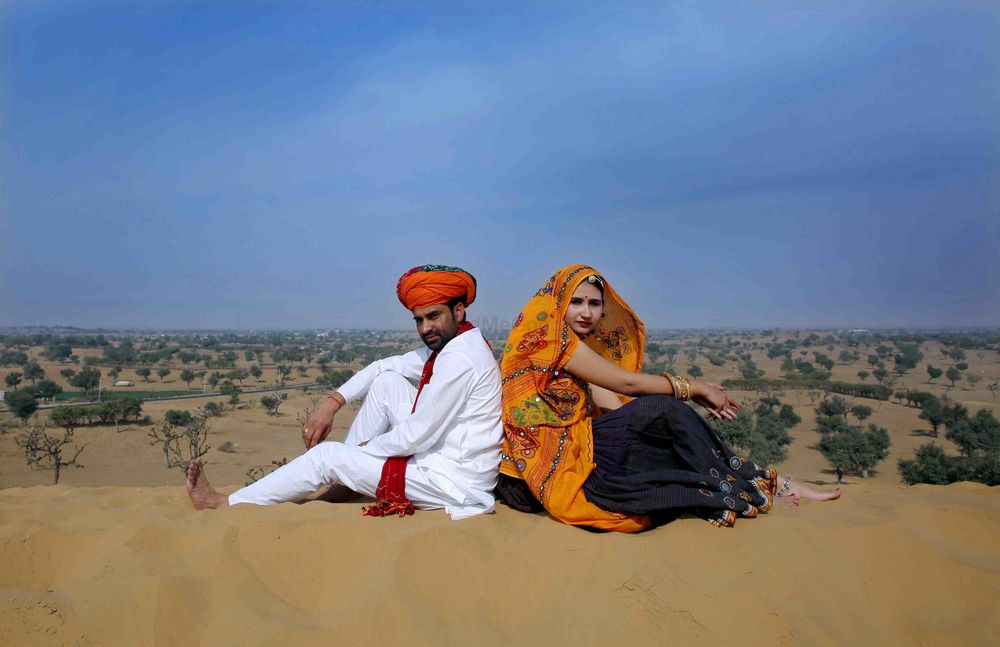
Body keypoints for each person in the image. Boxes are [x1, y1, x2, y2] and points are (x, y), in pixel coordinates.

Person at [495, 264, 839, 533]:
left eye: (594, 304)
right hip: (530, 483)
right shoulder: (548, 337)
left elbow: (616, 404)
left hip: (552, 467)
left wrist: (668, 428)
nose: (586, 312)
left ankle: (755, 483)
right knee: (662, 412)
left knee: (658, 422)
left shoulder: (571, 350)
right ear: (557, 303)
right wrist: (695, 389)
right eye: (576, 302)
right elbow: (626, 384)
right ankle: (754, 487)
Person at [186, 264, 504, 521]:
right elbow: (381, 367)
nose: (424, 329)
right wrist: (332, 402)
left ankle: (226, 503)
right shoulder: (456, 345)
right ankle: (348, 482)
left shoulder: (459, 359)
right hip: (441, 459)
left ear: (459, 311)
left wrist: (365, 449)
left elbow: (416, 437)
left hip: (453, 482)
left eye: (433, 316)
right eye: (419, 320)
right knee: (387, 382)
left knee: (326, 456)